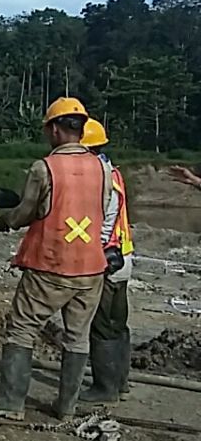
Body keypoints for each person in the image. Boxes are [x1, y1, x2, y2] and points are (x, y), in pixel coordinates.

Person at [0, 98, 115, 421]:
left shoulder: (44, 167)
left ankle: (11, 402)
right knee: (77, 336)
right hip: (92, 267)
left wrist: (5, 219)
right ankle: (66, 407)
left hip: (50, 264)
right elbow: (98, 210)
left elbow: (26, 214)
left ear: (54, 129)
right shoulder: (104, 168)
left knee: (22, 328)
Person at [78, 118, 134, 405]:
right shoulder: (112, 172)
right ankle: (120, 382)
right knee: (117, 325)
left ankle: (105, 388)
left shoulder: (101, 178)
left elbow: (104, 224)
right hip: (122, 256)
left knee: (103, 327)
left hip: (108, 259)